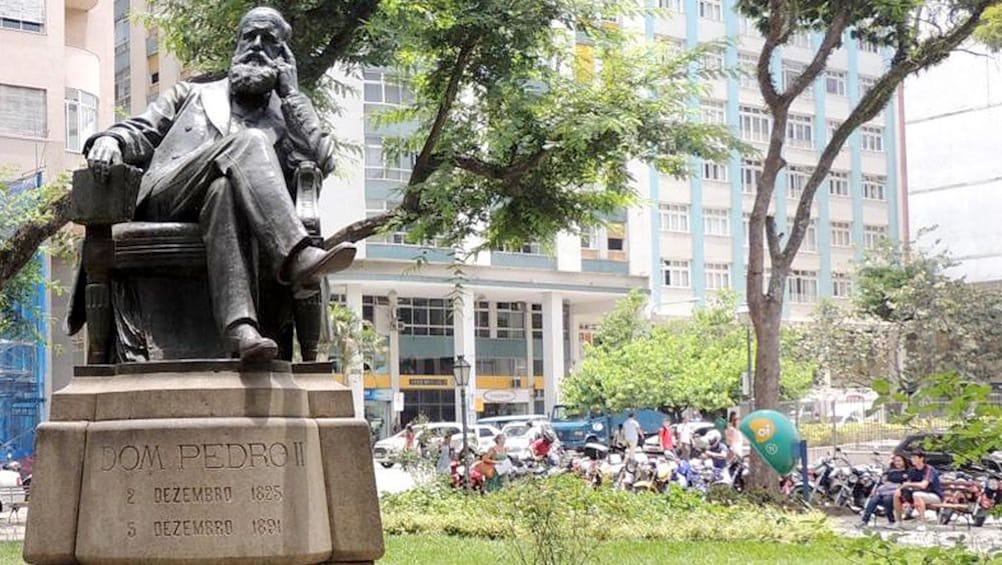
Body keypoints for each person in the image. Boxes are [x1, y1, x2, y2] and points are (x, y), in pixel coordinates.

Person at [78, 7, 351, 361]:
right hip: (170, 195)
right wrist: (111, 140)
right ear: (236, 46)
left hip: (220, 210)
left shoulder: (289, 113)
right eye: (248, 37)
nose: (255, 46)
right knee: (250, 142)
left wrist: (292, 96)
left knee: (223, 190)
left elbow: (321, 161)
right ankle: (297, 257)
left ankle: (241, 330)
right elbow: (142, 128)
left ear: (284, 57)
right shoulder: (191, 94)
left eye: (269, 41)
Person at [894, 450, 943, 529]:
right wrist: (900, 489)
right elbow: (907, 483)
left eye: (915, 458)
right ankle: (898, 522)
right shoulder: (912, 470)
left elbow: (923, 485)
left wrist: (909, 484)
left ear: (921, 459)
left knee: (917, 495)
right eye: (912, 458)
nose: (912, 460)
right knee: (896, 494)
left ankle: (922, 524)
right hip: (918, 494)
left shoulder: (929, 469)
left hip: (934, 496)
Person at [860, 454, 908, 528]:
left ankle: (891, 520)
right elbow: (883, 481)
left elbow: (906, 483)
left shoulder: (907, 472)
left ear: (904, 461)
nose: (897, 463)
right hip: (885, 491)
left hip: (897, 493)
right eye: (895, 461)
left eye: (899, 461)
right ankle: (865, 521)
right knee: (874, 499)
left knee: (887, 499)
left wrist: (894, 484)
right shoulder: (891, 471)